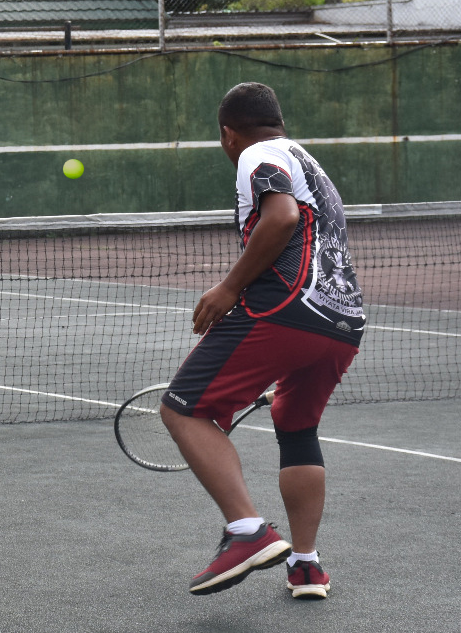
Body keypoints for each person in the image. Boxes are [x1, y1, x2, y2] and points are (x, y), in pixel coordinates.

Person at [161, 82, 363, 599]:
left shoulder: (257, 154)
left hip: (284, 310)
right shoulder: (305, 160)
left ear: (228, 134)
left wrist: (229, 288)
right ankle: (306, 566)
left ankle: (247, 531)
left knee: (183, 410)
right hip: (342, 322)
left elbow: (282, 217)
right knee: (296, 428)